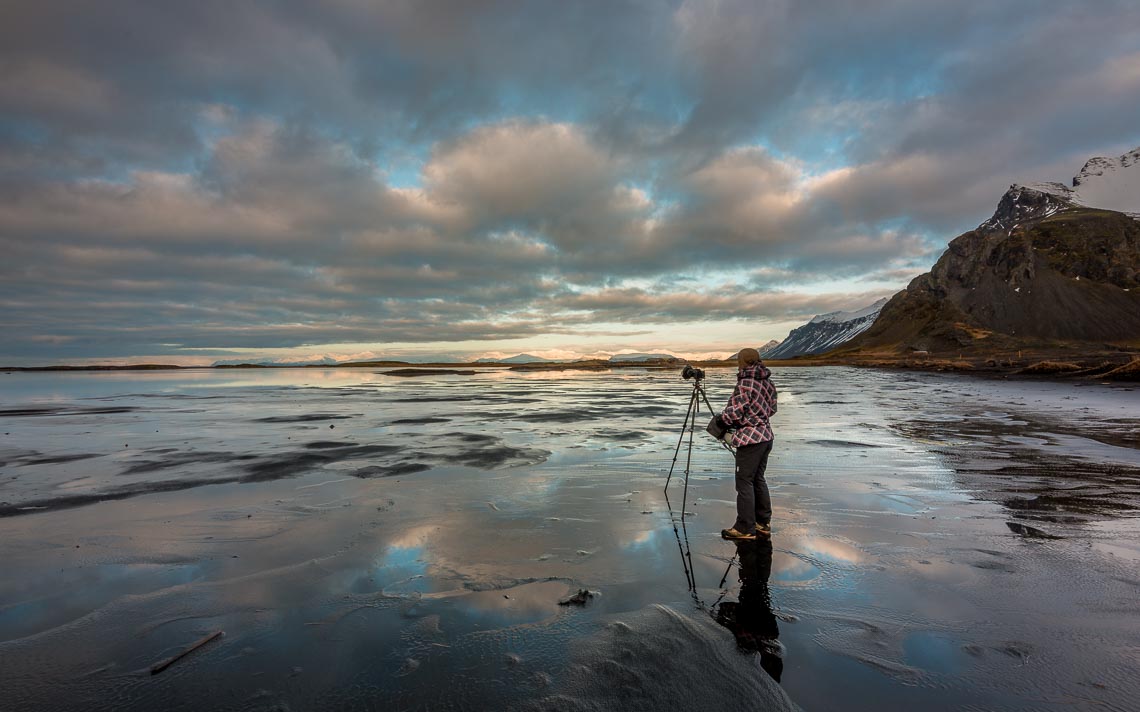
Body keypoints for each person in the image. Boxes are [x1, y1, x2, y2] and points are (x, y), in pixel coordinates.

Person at [714, 347, 777, 541]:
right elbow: (773, 409)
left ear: (742, 362)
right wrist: (757, 418)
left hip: (751, 440)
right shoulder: (768, 382)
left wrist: (721, 422)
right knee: (758, 479)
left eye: (739, 360)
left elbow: (735, 412)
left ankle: (745, 528)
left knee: (744, 482)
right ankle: (762, 523)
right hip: (766, 436)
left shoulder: (745, 383)